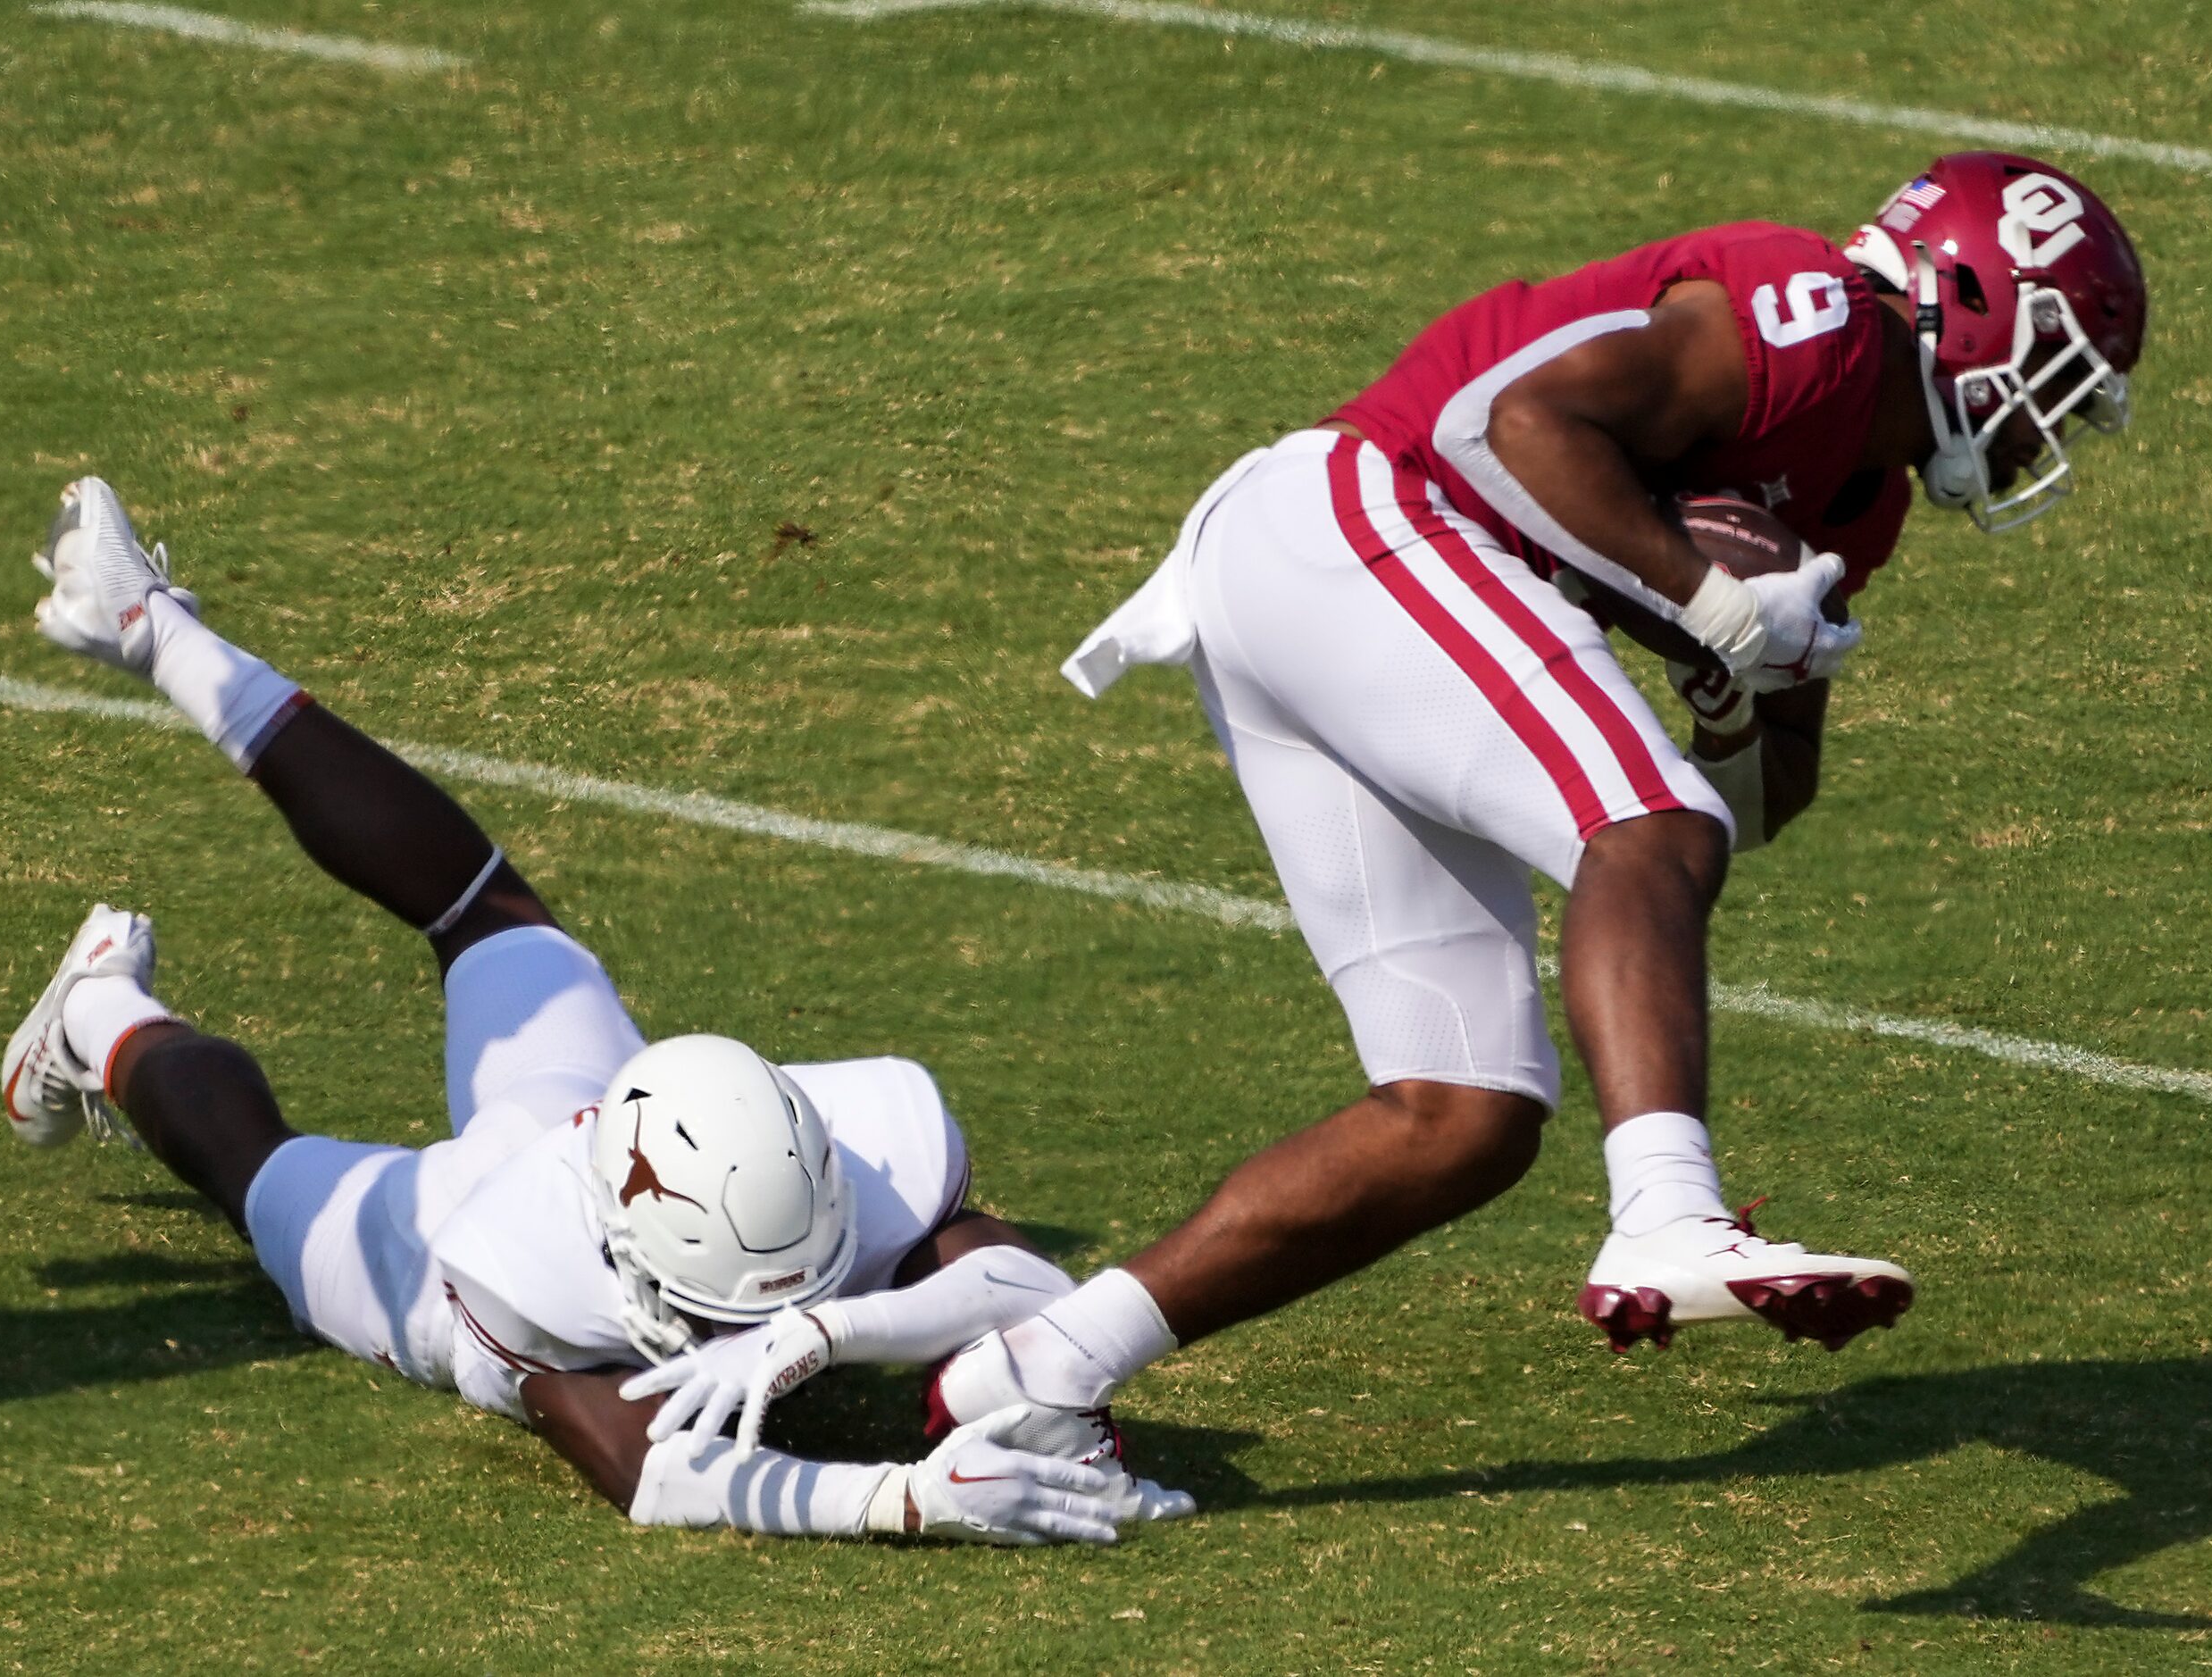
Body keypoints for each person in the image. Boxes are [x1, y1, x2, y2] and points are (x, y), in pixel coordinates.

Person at [873, 151, 2146, 1431]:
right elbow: (1505, 423)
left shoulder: (1860, 506)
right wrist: (1708, 605)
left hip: (1308, 580)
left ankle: (1034, 1375)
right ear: (1970, 293)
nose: (2043, 425)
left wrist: (1729, 687)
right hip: (1362, 513)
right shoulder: (1810, 316)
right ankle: (1666, 1209)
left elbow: (1760, 801)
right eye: (2052, 374)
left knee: (1464, 1111)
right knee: (1643, 820)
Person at [0, 477, 1193, 1545]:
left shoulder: (827, 1147)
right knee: (251, 1168)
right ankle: (99, 1011)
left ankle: (154, 628)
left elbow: (1034, 1286)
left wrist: (827, 1337)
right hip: (450, 1236)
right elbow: (651, 1469)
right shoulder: (530, 1270)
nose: (804, 1300)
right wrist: (897, 1498)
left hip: (578, 1098)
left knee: (489, 910)